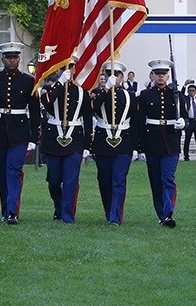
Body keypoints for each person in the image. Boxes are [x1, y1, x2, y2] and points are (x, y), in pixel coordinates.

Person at [0, 42, 40, 225]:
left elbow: (35, 110)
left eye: (15, 57)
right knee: (2, 173)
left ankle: (13, 211)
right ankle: (5, 208)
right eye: (8, 57)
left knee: (14, 171)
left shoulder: (29, 81)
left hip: (20, 132)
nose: (12, 61)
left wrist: (34, 136)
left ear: (19, 59)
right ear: (3, 59)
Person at [136, 59, 187, 228]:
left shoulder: (177, 95)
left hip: (171, 143)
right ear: (153, 75)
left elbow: (186, 117)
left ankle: (168, 212)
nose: (161, 77)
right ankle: (161, 213)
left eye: (164, 74)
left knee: (168, 178)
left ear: (168, 76)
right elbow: (139, 123)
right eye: (158, 74)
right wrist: (140, 148)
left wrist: (183, 123)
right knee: (155, 181)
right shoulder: (145, 95)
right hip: (152, 143)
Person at [40, 60, 92, 223]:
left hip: (75, 138)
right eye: (63, 67)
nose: (68, 70)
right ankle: (59, 206)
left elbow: (88, 119)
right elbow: (47, 104)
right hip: (53, 138)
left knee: (71, 179)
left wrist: (87, 145)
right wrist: (60, 83)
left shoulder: (82, 92)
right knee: (54, 180)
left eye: (71, 67)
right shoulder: (50, 89)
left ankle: (68, 215)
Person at [91, 61, 136, 225]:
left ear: (122, 77)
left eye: (116, 74)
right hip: (103, 141)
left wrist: (137, 146)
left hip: (123, 141)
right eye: (109, 74)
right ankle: (109, 210)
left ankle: (115, 216)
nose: (113, 77)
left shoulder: (130, 95)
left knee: (118, 180)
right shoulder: (97, 93)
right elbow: (93, 108)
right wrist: (105, 89)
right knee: (104, 180)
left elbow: (135, 120)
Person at [183, 84, 196, 161]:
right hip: (189, 121)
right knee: (187, 139)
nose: (192, 92)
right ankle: (186, 156)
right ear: (188, 91)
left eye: (193, 91)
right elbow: (181, 94)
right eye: (190, 91)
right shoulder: (186, 99)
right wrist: (185, 85)